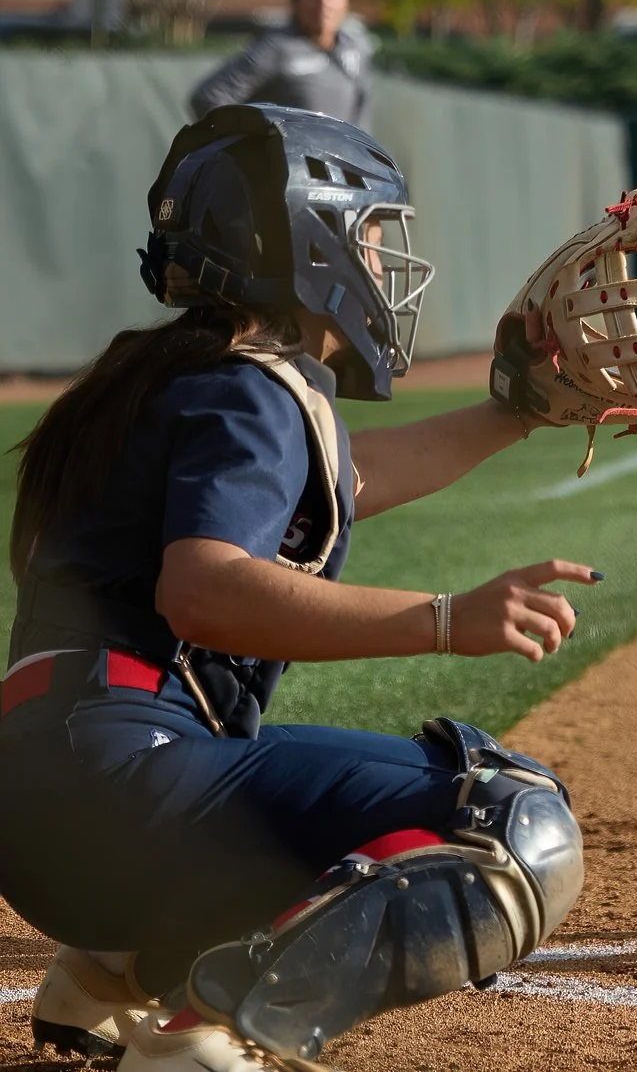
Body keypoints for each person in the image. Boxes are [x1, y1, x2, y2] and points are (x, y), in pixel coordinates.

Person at [2, 104, 592, 1072]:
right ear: (306, 239)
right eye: (366, 233)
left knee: (272, 788)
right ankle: (211, 1022)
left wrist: (513, 410)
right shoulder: (255, 388)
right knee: (517, 824)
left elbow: (341, 481)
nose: (380, 261)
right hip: (124, 778)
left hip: (45, 802)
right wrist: (445, 617)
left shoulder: (164, 374)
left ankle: (112, 972)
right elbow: (204, 586)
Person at [188, 0, 374, 129]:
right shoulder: (277, 48)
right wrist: (256, 144)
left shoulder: (356, 49)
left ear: (346, 0)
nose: (324, 3)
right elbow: (208, 97)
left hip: (339, 161)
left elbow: (360, 121)